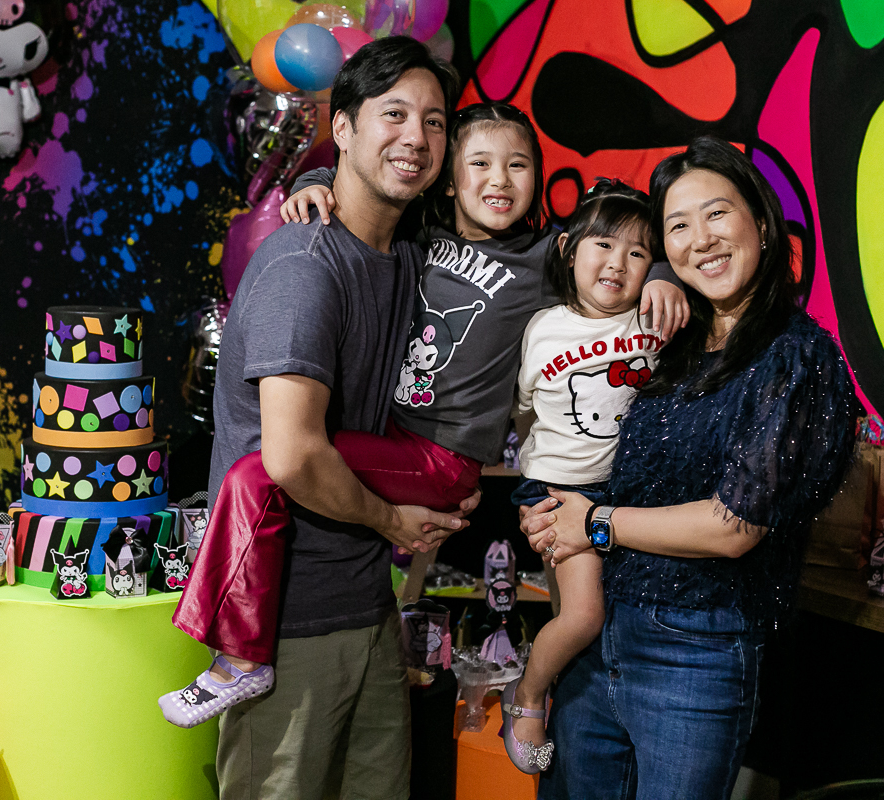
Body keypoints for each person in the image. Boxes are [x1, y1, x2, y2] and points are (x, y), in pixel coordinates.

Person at [162, 102, 688, 732]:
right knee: (278, 465)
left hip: (442, 459)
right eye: (480, 164)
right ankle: (241, 648)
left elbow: (621, 232)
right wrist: (313, 183)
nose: (500, 180)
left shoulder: (544, 259)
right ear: (446, 177)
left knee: (258, 473)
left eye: (518, 165)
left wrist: (659, 270)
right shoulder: (417, 238)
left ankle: (239, 658)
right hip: (392, 444)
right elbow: (360, 189)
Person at [168, 37, 466, 800]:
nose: (416, 138)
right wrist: (393, 520)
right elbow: (293, 456)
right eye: (393, 114)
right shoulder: (305, 267)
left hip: (365, 610)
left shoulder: (404, 253)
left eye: (434, 123)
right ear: (342, 127)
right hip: (289, 625)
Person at [520, 135, 861, 799]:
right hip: (596, 636)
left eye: (717, 214)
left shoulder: (793, 358)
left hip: (695, 653)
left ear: (760, 222)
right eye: (678, 226)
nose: (700, 238)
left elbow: (735, 525)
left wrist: (594, 524)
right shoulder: (668, 344)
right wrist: (552, 516)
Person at [502, 181, 667, 775]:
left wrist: (669, 278)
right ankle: (526, 696)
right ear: (570, 250)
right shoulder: (543, 327)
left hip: (624, 495)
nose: (617, 263)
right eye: (603, 244)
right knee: (583, 617)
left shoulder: (655, 320)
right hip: (556, 492)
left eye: (637, 253)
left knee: (606, 619)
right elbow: (522, 411)